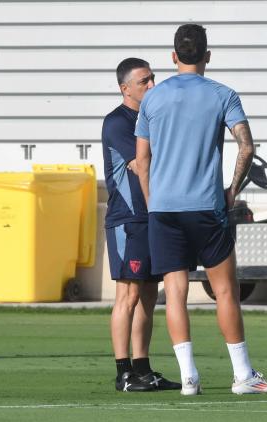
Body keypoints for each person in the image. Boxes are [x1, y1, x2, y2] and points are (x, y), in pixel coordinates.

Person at [134, 24, 267, 395]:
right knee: (225, 290)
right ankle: (243, 375)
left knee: (175, 290)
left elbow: (142, 158)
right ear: (208, 56)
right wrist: (232, 190)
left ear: (173, 56)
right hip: (206, 206)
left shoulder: (153, 98)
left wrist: (154, 204)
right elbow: (246, 147)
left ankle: (188, 378)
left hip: (164, 211)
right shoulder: (223, 95)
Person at [101, 57, 181, 392]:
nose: (151, 85)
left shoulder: (154, 119)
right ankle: (123, 373)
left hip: (153, 218)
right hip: (128, 220)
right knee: (129, 294)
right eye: (143, 81)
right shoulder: (117, 122)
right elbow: (140, 165)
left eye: (152, 79)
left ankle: (143, 367)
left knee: (149, 294)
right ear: (125, 88)